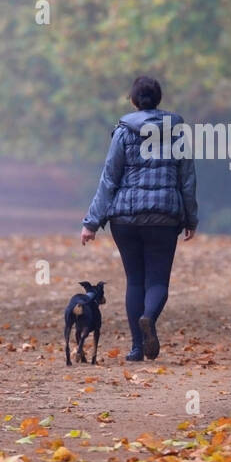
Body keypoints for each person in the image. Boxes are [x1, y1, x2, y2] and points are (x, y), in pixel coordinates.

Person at [81, 76, 198, 362]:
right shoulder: (178, 133)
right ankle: (149, 317)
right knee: (157, 280)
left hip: (125, 218)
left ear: (134, 101)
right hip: (164, 217)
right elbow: (187, 180)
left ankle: (136, 348)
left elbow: (109, 178)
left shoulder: (123, 132)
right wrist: (191, 218)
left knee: (135, 281)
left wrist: (91, 223)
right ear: (158, 100)